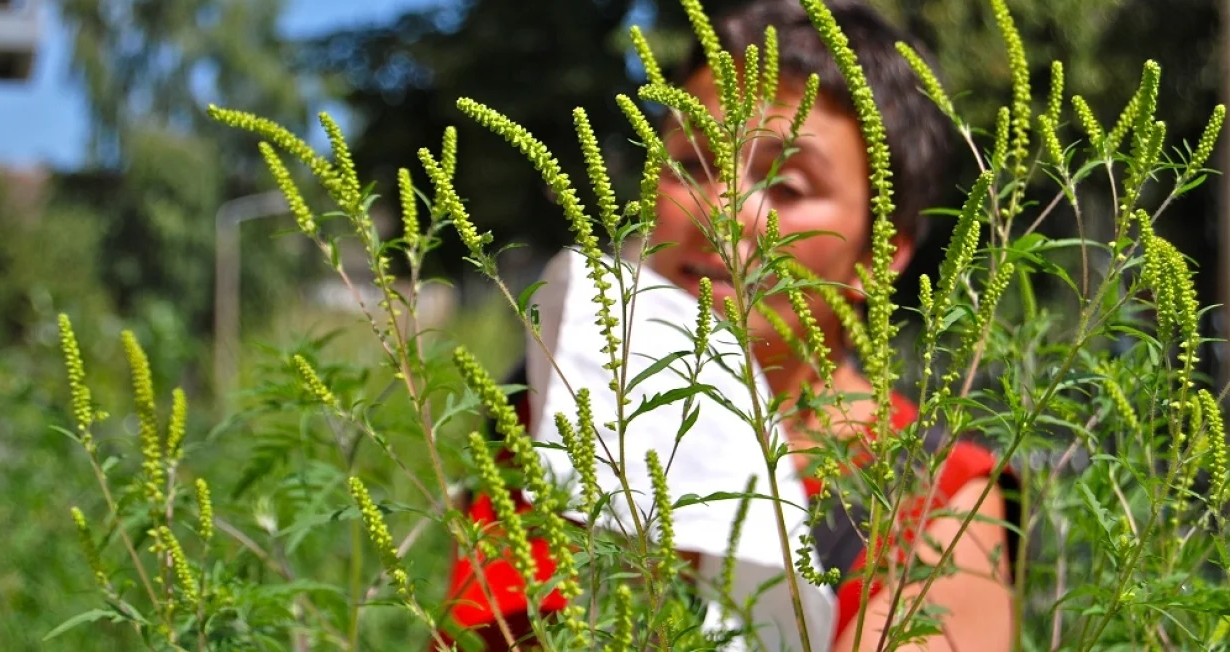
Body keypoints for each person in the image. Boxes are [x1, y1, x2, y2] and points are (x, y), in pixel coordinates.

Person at [437, 0, 1019, 649]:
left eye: (788, 185)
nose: (722, 210)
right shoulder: (554, 407)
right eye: (693, 163)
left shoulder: (929, 501)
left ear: (883, 254)